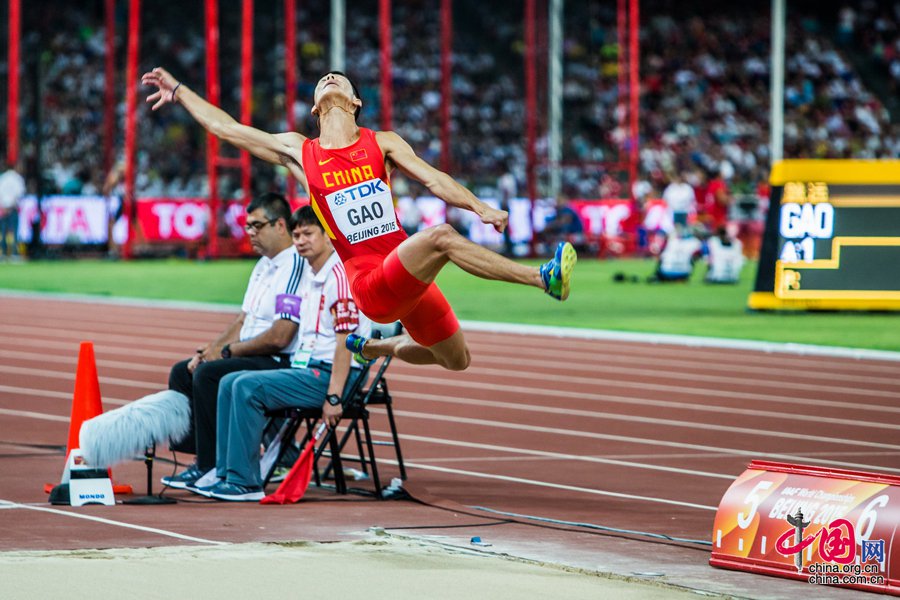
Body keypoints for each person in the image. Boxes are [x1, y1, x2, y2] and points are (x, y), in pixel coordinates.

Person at [142, 68, 576, 374]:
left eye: (339, 78)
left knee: (457, 359)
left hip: (406, 275)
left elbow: (434, 178)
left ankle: (374, 346)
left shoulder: (382, 143)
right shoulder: (300, 152)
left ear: (355, 101)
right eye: (321, 81)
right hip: (369, 281)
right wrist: (179, 90)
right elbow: (228, 128)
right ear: (315, 108)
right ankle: (544, 279)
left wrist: (480, 207)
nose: (329, 78)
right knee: (442, 236)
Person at [196, 206, 371, 501]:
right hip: (309, 369)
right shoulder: (311, 276)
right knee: (229, 382)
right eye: (297, 234)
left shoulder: (339, 277)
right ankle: (225, 473)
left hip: (333, 375)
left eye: (308, 233)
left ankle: (245, 483)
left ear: (329, 237)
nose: (301, 240)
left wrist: (334, 396)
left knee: (246, 386)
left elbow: (345, 341)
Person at [162, 192, 308, 489]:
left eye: (257, 226)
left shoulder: (293, 265)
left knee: (209, 375)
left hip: (278, 359)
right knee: (184, 371)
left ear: (280, 225)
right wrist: (211, 350)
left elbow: (281, 336)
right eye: (247, 226)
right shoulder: (263, 266)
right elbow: (242, 321)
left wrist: (228, 352)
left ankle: (212, 465)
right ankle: (199, 460)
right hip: (250, 353)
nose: (250, 233)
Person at [0, 160, 26, 260]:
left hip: (3, 208)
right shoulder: (18, 178)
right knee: (14, 231)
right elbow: (19, 195)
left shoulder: (3, 177)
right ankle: (14, 253)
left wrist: (3, 207)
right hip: (12, 208)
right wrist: (10, 207)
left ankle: (3, 253)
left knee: (3, 231)